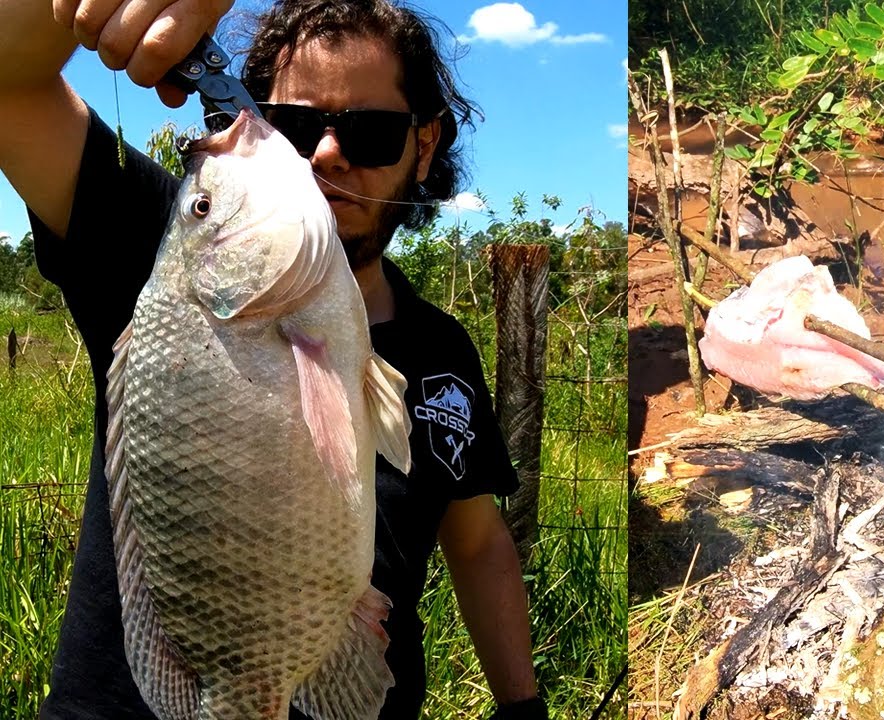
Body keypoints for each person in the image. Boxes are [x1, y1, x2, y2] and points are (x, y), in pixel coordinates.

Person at [0, 0, 548, 717]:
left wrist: (521, 707)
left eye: (371, 132)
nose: (326, 155)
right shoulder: (153, 250)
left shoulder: (440, 348)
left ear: (424, 145)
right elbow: (8, 82)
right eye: (292, 126)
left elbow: (476, 543)